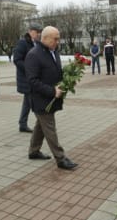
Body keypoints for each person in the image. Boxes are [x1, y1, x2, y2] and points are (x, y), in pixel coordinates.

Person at [25, 26, 78, 170]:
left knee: (40, 126)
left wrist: (67, 80)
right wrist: (51, 91)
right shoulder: (34, 55)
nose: (58, 41)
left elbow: (56, 71)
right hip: (41, 99)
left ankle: (33, 151)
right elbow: (32, 81)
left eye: (58, 38)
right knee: (49, 128)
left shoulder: (54, 51)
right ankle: (61, 159)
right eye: (55, 38)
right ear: (45, 38)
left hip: (52, 98)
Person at [13, 23, 42, 133]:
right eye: (37, 31)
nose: (39, 34)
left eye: (40, 32)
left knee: (27, 102)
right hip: (26, 78)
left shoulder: (37, 43)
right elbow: (17, 60)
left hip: (33, 77)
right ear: (30, 31)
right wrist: (29, 68)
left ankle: (22, 124)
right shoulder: (22, 43)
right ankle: (43, 123)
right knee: (33, 101)